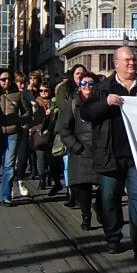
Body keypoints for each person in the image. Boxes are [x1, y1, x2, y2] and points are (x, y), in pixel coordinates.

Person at [82, 46, 137, 257]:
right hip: (110, 154)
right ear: (116, 63)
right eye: (126, 60)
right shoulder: (102, 88)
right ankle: (113, 238)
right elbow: (86, 113)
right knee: (109, 197)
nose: (131, 63)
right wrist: (104, 104)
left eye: (133, 60)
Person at [57, 73, 99, 232]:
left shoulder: (101, 102)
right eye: (83, 83)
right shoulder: (73, 104)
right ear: (79, 86)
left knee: (105, 187)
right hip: (81, 151)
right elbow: (64, 129)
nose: (87, 86)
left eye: (90, 83)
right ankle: (86, 217)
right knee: (84, 188)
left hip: (99, 150)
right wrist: (75, 147)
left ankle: (99, 209)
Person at [0, 68, 27, 204]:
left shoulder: (17, 95)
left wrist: (19, 121)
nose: (6, 82)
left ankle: (6, 195)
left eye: (9, 79)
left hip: (13, 133)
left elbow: (27, 112)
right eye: (3, 79)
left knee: (9, 165)